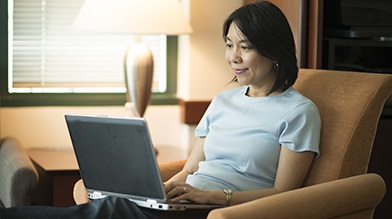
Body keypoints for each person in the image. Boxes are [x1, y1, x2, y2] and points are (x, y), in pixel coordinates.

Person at [0, 1, 320, 219]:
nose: (232, 57)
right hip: (184, 204)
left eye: (245, 47)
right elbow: (190, 170)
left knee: (107, 211)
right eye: (228, 44)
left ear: (273, 50)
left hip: (219, 212)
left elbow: (285, 195)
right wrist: (158, 190)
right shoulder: (224, 102)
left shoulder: (298, 113)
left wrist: (211, 197)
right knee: (109, 203)